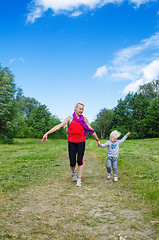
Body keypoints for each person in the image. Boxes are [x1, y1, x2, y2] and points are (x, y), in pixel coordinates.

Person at [42, 102, 101, 187]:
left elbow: (90, 129)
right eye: (80, 109)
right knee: (72, 163)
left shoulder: (84, 119)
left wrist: (97, 139)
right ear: (75, 108)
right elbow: (59, 126)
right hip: (71, 142)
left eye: (82, 109)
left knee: (80, 160)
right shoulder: (69, 119)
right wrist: (47, 133)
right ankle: (74, 172)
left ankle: (79, 179)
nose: (81, 111)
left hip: (81, 142)